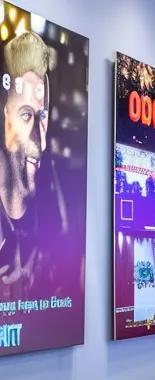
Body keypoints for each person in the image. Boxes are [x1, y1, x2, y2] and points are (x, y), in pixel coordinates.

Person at [0, 30, 56, 294]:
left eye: (41, 116)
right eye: (25, 115)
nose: (39, 139)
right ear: (4, 119)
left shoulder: (53, 220)